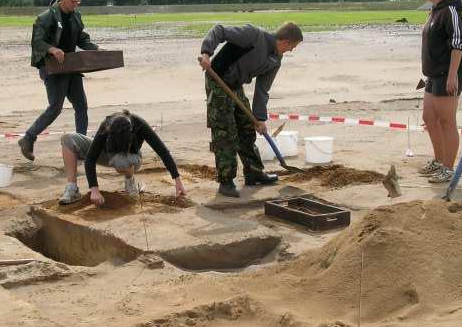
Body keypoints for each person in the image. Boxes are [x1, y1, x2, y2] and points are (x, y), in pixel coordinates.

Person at [198, 21, 303, 197]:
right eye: (292, 46)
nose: (291, 50)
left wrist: (260, 119)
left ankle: (254, 172)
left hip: (235, 85)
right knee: (226, 131)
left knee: (247, 127)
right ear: (285, 41)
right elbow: (219, 30)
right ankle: (226, 181)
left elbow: (262, 89)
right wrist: (207, 53)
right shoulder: (253, 35)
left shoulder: (276, 60)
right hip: (218, 80)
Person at [18, 0, 99, 161]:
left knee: (81, 106)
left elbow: (82, 38)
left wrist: (96, 49)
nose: (75, 5)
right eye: (72, 1)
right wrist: (52, 49)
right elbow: (37, 42)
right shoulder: (46, 17)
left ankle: (81, 146)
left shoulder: (76, 16)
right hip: (53, 69)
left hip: (72, 67)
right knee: (55, 108)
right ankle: (28, 138)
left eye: (78, 2)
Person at [59, 110, 186, 206]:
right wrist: (94, 190)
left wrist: (177, 179)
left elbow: (162, 151)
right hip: (108, 154)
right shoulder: (107, 125)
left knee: (120, 161)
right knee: (68, 138)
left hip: (131, 157)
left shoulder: (139, 125)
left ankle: (129, 181)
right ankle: (72, 188)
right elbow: (91, 159)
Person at [416, 0, 462, 184]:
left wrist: (452, 75)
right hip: (433, 74)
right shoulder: (435, 11)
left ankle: (448, 168)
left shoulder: (451, 11)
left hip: (448, 74)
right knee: (429, 118)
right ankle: (439, 161)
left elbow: (458, 44)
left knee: (447, 121)